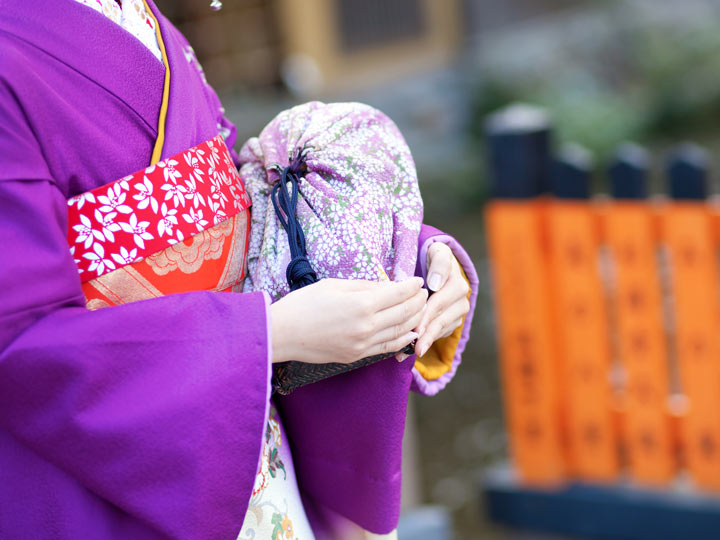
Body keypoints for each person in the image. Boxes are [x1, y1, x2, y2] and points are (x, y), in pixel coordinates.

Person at [0, 1, 479, 539]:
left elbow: (245, 209)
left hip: (246, 423)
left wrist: (410, 256)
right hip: (114, 476)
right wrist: (270, 333)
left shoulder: (142, 18)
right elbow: (20, 342)